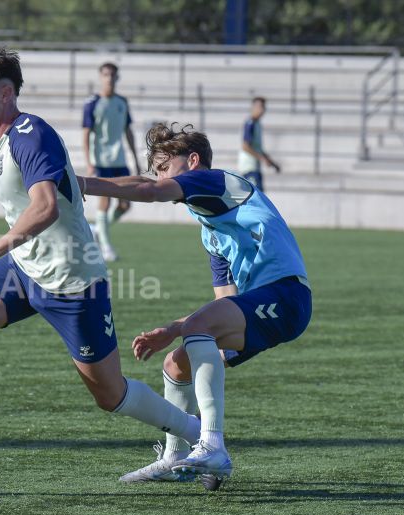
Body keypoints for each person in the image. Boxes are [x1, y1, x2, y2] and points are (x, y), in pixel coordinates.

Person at [0, 47, 202, 491]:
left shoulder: (29, 133)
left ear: (5, 94)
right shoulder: (2, 140)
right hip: (24, 270)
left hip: (73, 282)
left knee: (110, 395)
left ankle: (198, 435)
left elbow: (44, 209)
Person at [79, 123, 311, 489]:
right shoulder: (210, 229)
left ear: (192, 161)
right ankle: (175, 454)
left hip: (287, 297)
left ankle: (213, 445)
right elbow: (226, 302)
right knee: (176, 362)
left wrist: (84, 184)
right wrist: (172, 330)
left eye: (165, 168)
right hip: (261, 305)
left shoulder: (216, 181)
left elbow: (150, 191)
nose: (161, 178)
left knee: (198, 329)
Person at [82, 62, 141, 262]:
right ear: (100, 77)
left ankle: (98, 229)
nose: (109, 78)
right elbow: (86, 133)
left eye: (113, 75)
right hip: (101, 161)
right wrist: (89, 161)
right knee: (105, 201)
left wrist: (135, 158)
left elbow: (128, 131)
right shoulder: (92, 102)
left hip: (119, 160)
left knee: (125, 204)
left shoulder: (122, 102)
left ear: (117, 78)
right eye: (106, 75)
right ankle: (106, 248)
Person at [237, 96, 279, 192]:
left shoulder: (258, 124)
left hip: (255, 167)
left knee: (260, 195)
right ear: (253, 107)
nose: (262, 110)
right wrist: (262, 158)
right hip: (249, 167)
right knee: (255, 196)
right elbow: (245, 146)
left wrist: (272, 163)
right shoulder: (250, 123)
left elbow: (258, 148)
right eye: (260, 107)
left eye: (264, 107)